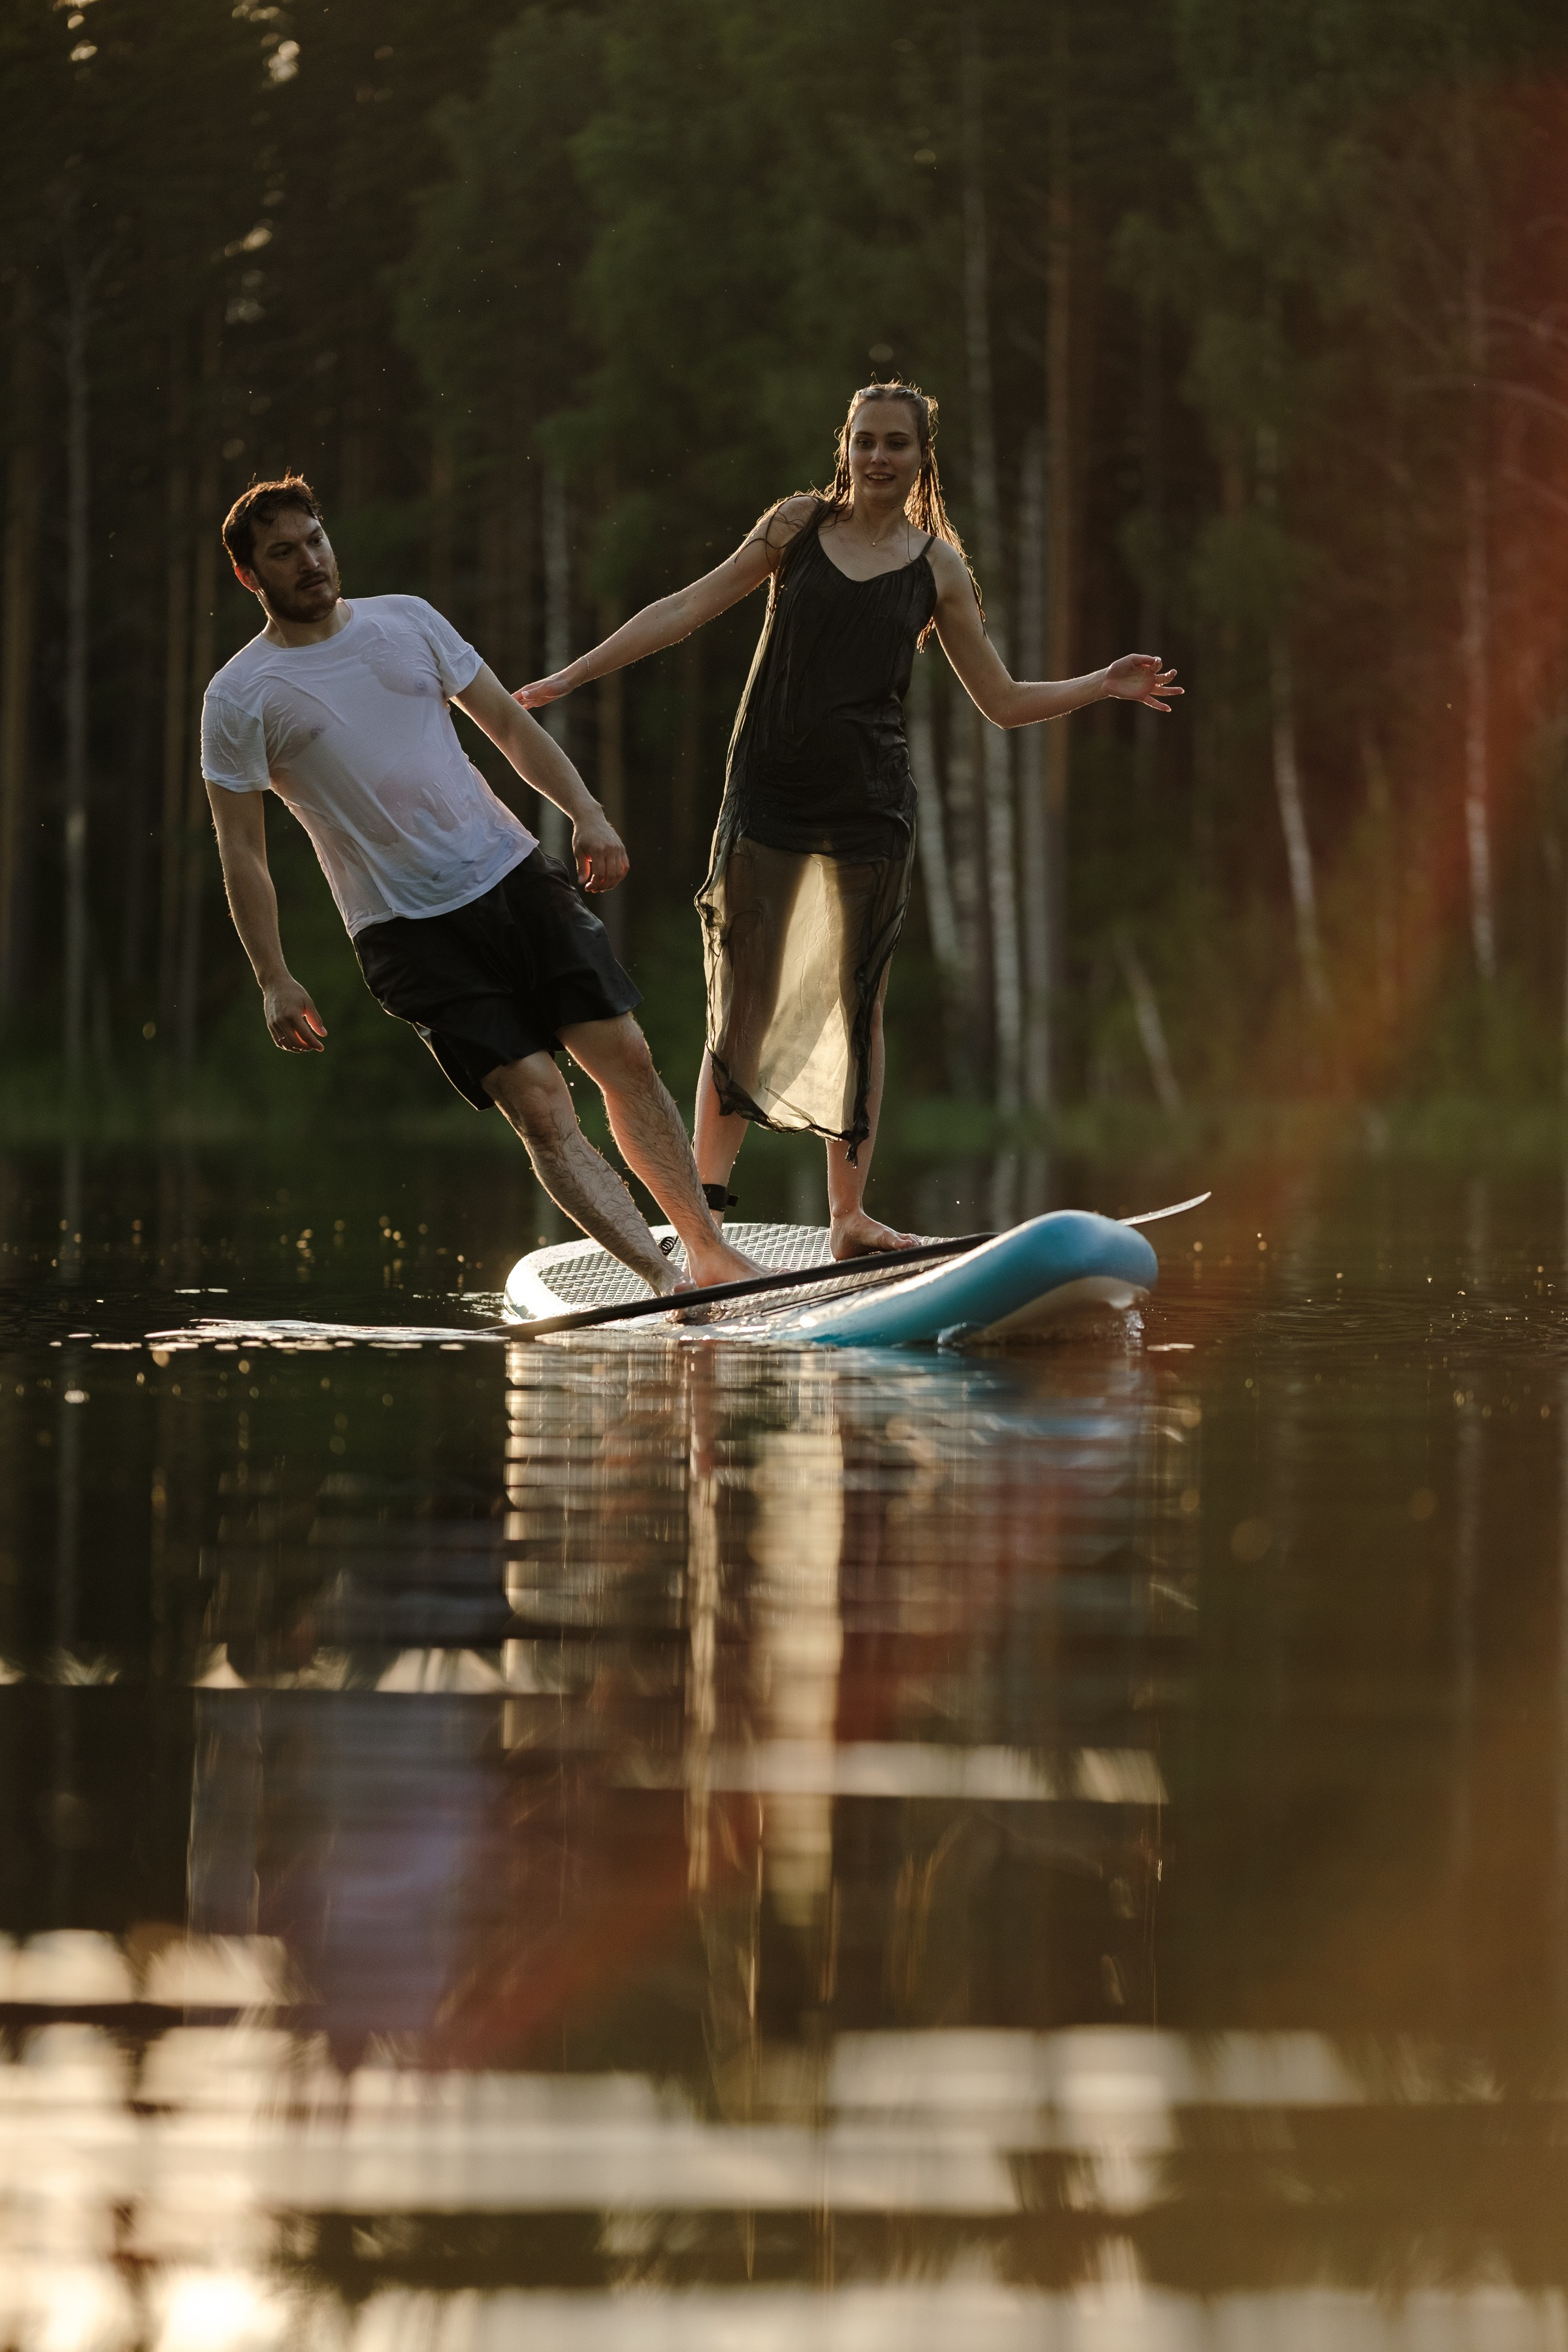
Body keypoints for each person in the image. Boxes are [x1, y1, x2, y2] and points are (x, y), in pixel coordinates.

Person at [517, 382, 1181, 1258]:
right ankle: (703, 1219)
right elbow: (683, 608)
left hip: (871, 807)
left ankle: (848, 1219)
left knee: (859, 1003)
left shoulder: (936, 568)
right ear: (846, 447)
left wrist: (1101, 684)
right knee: (745, 1004)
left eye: (896, 443)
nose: (878, 457)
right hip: (768, 795)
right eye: (865, 440)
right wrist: (571, 677)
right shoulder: (796, 527)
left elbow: (1002, 701)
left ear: (921, 458)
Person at [199, 473, 755, 1297]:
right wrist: (273, 976)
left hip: (513, 875)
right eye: (283, 553)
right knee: (540, 1104)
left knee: (629, 1059)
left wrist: (587, 812)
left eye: (315, 540)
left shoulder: (408, 620)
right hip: (403, 928)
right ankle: (662, 1281)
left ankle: (707, 1253)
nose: (309, 561)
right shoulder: (239, 697)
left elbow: (507, 725)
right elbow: (243, 850)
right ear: (250, 575)